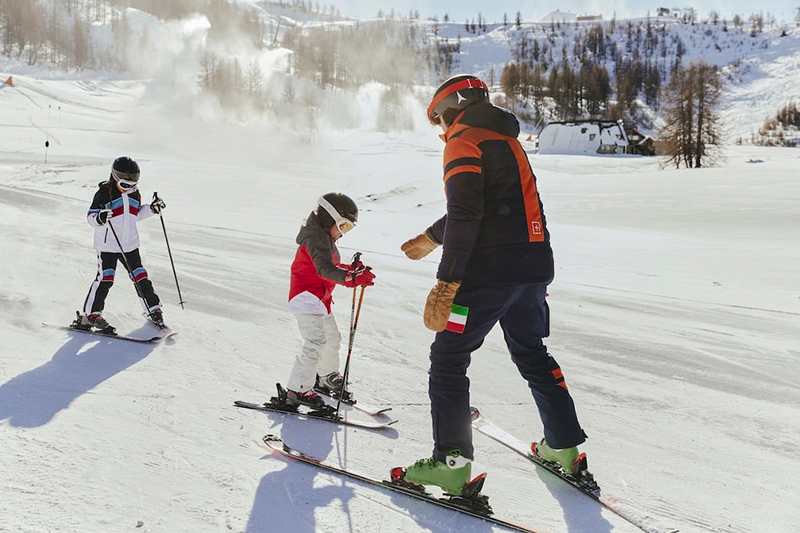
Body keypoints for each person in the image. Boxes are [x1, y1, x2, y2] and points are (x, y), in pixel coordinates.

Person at [392, 75, 587, 496]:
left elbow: (466, 214)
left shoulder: (463, 140)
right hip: (533, 269)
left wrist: (445, 285)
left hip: (488, 275)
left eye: (437, 122)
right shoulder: (506, 139)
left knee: (448, 358)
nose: (441, 131)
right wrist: (430, 237)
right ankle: (564, 449)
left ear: (447, 110)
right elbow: (497, 207)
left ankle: (451, 464)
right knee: (532, 353)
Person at [283, 193, 376, 408]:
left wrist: (351, 271)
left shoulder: (325, 238)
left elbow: (329, 266)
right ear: (329, 218)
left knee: (332, 339)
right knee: (316, 342)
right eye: (343, 226)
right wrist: (350, 278)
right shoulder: (316, 238)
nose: (343, 233)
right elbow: (324, 269)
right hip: (306, 297)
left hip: (319, 299)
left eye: (348, 228)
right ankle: (297, 389)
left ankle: (325, 377)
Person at [74, 156, 167, 334]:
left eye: (132, 185)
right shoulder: (104, 193)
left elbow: (136, 215)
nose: (129, 189)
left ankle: (153, 309)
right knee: (105, 278)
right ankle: (90, 315)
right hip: (108, 246)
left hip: (129, 245)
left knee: (140, 277)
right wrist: (99, 218)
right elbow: (90, 217)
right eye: (125, 185)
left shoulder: (134, 194)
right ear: (115, 177)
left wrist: (152, 209)